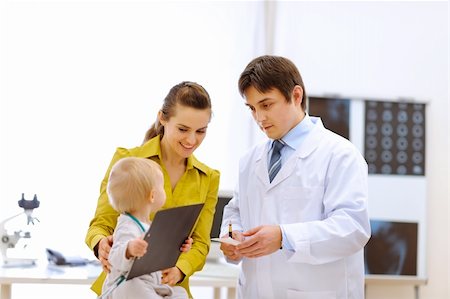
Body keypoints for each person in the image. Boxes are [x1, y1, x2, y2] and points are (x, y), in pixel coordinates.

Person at [219, 55, 371, 299]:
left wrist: (284, 237)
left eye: (266, 105)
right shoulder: (250, 160)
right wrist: (232, 236)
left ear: (296, 96)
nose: (259, 118)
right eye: (252, 108)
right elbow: (236, 211)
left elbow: (352, 229)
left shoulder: (340, 155)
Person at [85, 81, 220, 298]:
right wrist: (100, 242)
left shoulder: (208, 178)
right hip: (127, 288)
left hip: (168, 287)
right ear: (163, 118)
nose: (191, 140)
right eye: (183, 129)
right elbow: (100, 224)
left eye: (201, 131)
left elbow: (201, 243)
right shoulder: (128, 161)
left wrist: (180, 269)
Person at [102, 157, 189, 298]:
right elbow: (114, 258)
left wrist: (179, 245)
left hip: (149, 283)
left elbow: (158, 254)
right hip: (126, 286)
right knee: (133, 286)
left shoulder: (148, 224)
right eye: (162, 186)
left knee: (180, 294)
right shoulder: (127, 225)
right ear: (152, 195)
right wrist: (129, 249)